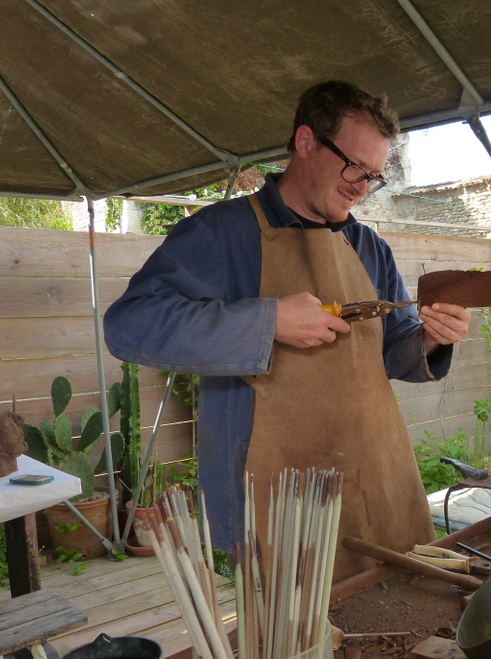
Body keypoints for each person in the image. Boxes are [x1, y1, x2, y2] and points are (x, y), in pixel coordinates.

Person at [104, 81, 470, 581]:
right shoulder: (219, 233)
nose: (362, 186)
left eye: (374, 176)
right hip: (269, 495)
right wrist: (267, 320)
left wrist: (432, 337)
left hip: (369, 473)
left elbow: (396, 355)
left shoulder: (370, 248)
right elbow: (130, 326)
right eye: (354, 167)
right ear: (305, 142)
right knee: (284, 642)